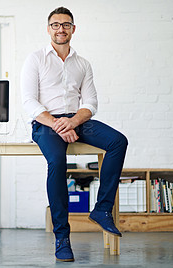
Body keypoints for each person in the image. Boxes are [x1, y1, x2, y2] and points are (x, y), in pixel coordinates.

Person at [20, 7, 128, 262]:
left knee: (117, 142)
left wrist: (73, 122)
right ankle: (62, 237)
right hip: (46, 122)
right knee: (57, 162)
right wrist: (59, 124)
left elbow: (90, 102)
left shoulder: (82, 64)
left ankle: (102, 210)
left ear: (73, 29)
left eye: (66, 25)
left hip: (76, 120)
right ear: (49, 29)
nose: (61, 29)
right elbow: (29, 102)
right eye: (56, 25)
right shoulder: (35, 59)